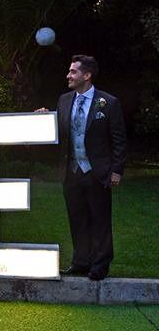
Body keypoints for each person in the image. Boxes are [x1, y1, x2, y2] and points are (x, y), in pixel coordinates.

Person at [38, 55, 126, 281]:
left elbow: (119, 140)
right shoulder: (65, 100)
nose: (68, 75)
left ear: (86, 75)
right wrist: (45, 118)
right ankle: (80, 262)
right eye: (69, 71)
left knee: (100, 220)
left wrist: (117, 170)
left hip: (97, 171)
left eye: (73, 72)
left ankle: (100, 265)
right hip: (72, 171)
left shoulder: (108, 102)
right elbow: (61, 130)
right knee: (77, 218)